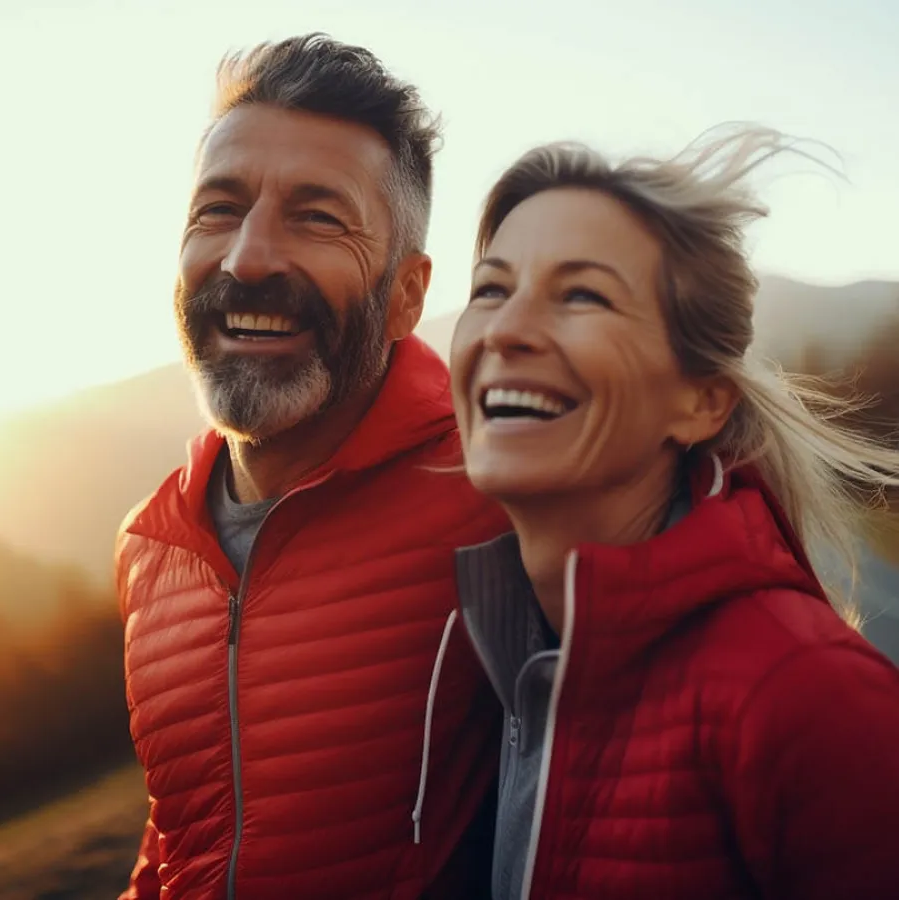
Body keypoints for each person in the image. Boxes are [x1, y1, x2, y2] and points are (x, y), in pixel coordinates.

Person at [448, 127, 899, 900]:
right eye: (491, 289)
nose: (506, 330)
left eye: (582, 295)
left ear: (701, 402)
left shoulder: (808, 694)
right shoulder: (485, 660)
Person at [116, 34, 507, 900]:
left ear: (406, 295)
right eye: (218, 209)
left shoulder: (500, 495)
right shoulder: (150, 547)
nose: (246, 258)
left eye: (318, 218)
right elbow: (179, 837)